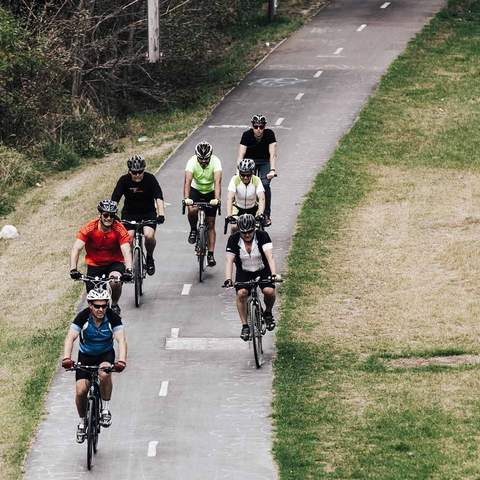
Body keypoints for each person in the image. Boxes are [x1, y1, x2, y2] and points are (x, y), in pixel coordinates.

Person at [61, 288, 127, 443]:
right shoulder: (83, 317)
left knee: (104, 373)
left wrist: (122, 360)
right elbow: (70, 338)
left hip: (105, 354)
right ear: (90, 305)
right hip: (86, 356)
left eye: (104, 306)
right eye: (97, 306)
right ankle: (83, 422)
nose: (101, 309)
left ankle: (105, 409)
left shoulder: (112, 317)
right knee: (80, 391)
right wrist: (66, 358)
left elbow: (121, 340)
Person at [69, 200, 133, 315]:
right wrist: (73, 269)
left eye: (112, 215)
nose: (108, 218)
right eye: (105, 215)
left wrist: (128, 270)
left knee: (115, 281)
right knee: (92, 300)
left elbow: (126, 250)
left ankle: (114, 304)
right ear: (100, 215)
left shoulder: (119, 228)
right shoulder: (90, 228)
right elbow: (76, 248)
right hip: (95, 264)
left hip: (114, 262)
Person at [224, 214, 280, 341]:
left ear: (254, 229)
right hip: (244, 271)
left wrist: (274, 275)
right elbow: (229, 260)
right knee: (241, 293)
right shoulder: (233, 239)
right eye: (244, 233)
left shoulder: (262, 236)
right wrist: (228, 279)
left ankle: (268, 313)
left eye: (250, 232)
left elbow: (270, 256)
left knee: (269, 291)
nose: (247, 235)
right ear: (239, 231)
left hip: (262, 269)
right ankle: (245, 326)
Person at [111, 154, 165, 276]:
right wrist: (112, 214)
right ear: (129, 171)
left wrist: (161, 214)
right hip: (130, 214)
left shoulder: (150, 179)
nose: (137, 175)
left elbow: (159, 197)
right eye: (134, 173)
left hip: (148, 213)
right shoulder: (123, 180)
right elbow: (115, 199)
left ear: (143, 170)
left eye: (140, 172)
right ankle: (129, 265)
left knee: (149, 236)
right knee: (128, 239)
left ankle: (150, 257)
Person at [184, 141, 222, 267]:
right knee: (192, 209)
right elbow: (187, 182)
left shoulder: (216, 162)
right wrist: (186, 199)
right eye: (201, 159)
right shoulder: (191, 162)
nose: (204, 162)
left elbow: (217, 183)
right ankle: (194, 229)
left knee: (211, 223)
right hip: (196, 189)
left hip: (210, 191)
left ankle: (210, 254)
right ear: (197, 157)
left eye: (206, 159)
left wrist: (217, 199)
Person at [237, 114, 277, 226]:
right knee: (247, 183)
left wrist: (272, 170)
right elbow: (241, 155)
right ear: (252, 126)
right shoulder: (246, 135)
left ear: (264, 127)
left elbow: (272, 154)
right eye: (256, 127)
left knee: (265, 184)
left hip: (264, 161)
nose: (258, 129)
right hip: (250, 161)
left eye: (261, 127)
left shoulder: (269, 134)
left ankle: (266, 214)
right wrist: (238, 171)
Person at [226, 158, 265, 232]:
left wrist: (261, 213)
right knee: (234, 227)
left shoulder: (257, 180)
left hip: (253, 208)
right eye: (243, 175)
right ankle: (234, 243)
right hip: (238, 208)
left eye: (248, 175)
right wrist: (229, 215)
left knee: (256, 229)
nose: (245, 177)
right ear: (239, 173)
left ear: (252, 173)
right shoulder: (235, 179)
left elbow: (261, 198)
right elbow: (230, 198)